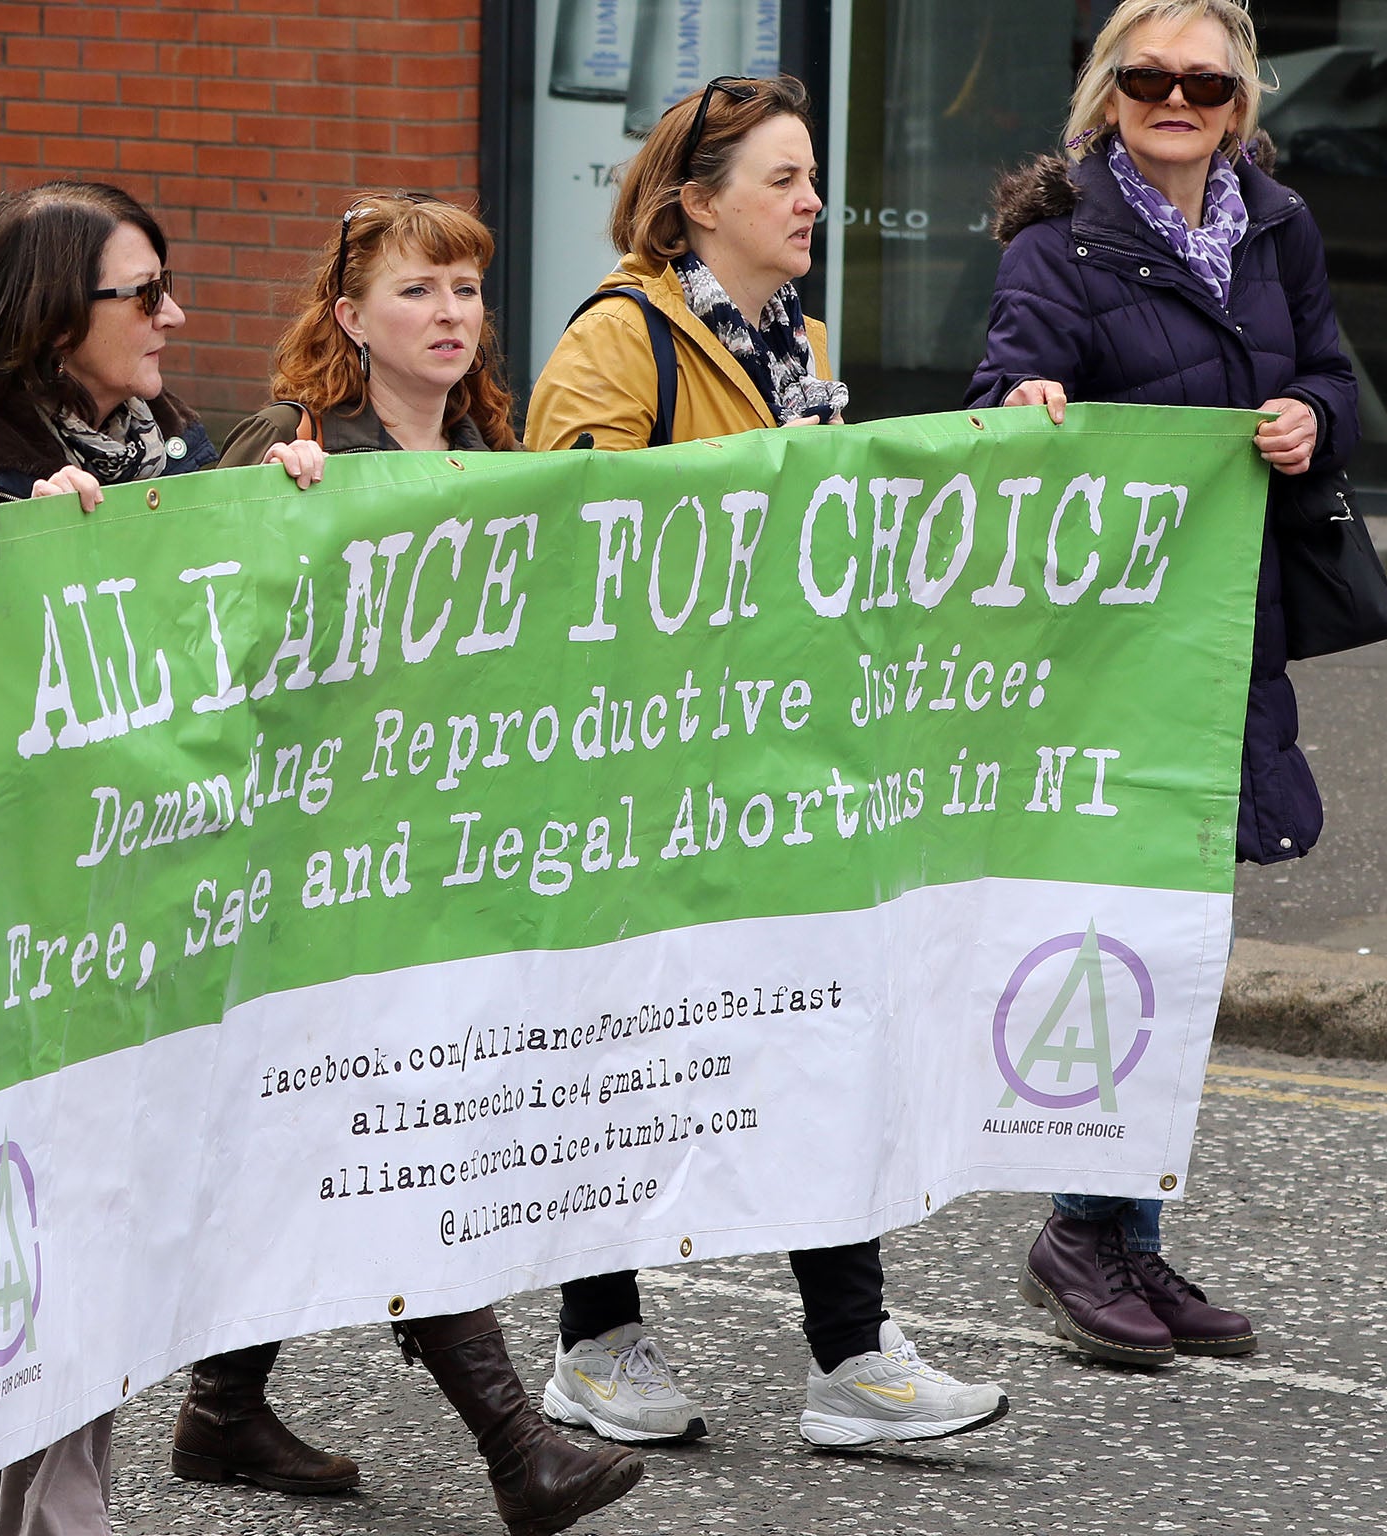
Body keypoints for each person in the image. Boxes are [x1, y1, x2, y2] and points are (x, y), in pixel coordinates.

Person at [525, 75, 1011, 1452]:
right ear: (698, 205)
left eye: (811, 179)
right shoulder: (620, 343)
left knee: (819, 1039)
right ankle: (595, 1341)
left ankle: (851, 1357)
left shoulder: (793, 340)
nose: (812, 203)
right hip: (645, 783)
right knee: (628, 1053)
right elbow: (568, 555)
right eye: (785, 181)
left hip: (779, 766)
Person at [0, 178, 328, 1536]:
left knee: (115, 1238)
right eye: (142, 293)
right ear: (49, 314)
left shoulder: (178, 452)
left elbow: (234, 664)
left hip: (157, 919)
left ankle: (30, 1512)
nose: (172, 315)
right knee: (41, 1241)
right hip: (23, 943)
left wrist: (279, 510)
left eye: (166, 285)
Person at [216, 190, 646, 1536]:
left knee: (334, 1144)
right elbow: (213, 663)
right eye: (417, 291)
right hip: (312, 877)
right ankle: (522, 1455)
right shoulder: (286, 451)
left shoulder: (493, 450)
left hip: (445, 866)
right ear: (348, 317)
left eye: (464, 290)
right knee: (410, 1146)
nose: (450, 315)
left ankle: (221, 1409)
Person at [967, 0, 1354, 1368]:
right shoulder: (1058, 238)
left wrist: (1313, 418)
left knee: (1177, 940)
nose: (1175, 98)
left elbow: (1329, 376)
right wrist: (1024, 414)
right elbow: (1008, 386)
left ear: (1239, 103)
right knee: (1112, 932)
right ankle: (1081, 1229)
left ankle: (1124, 1237)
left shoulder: (1279, 225)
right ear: (1108, 92)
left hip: (1225, 630)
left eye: (1203, 81)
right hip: (1107, 648)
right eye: (1148, 77)